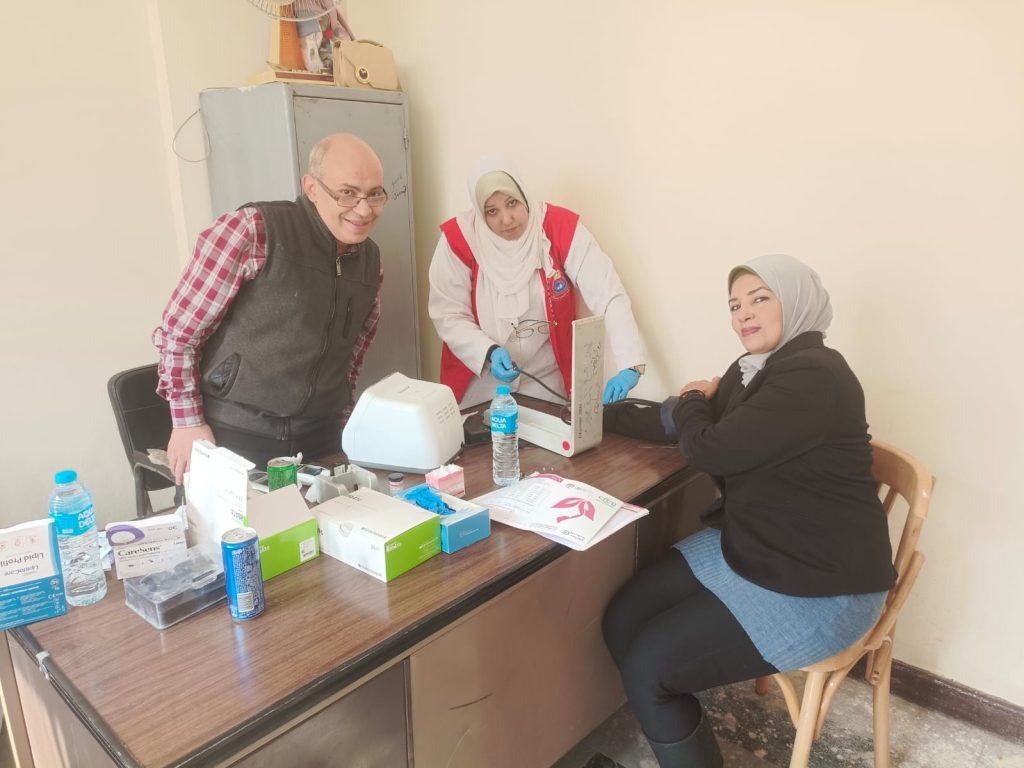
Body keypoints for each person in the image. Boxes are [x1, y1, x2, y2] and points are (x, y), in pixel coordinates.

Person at [601, 254, 896, 767]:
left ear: (797, 302)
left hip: (822, 584)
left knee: (650, 669)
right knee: (623, 619)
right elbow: (683, 421)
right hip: (761, 542)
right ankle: (675, 721)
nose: (744, 314)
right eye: (735, 305)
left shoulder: (815, 375)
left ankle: (665, 700)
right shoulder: (755, 370)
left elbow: (708, 446)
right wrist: (598, 418)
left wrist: (693, 399)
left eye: (760, 298)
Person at [153, 133, 387, 482]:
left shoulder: (370, 261)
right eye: (347, 193)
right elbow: (179, 334)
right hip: (234, 434)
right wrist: (187, 423)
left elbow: (351, 354)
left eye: (375, 194)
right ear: (312, 188)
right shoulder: (253, 231)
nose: (364, 209)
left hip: (321, 438)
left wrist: (345, 420)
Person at [428, 155, 647, 407]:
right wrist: (488, 351)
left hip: (544, 382)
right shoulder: (459, 240)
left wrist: (630, 364)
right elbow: (449, 314)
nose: (507, 219)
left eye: (512, 203)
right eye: (492, 211)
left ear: (523, 194)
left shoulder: (558, 227)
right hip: (482, 381)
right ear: (480, 212)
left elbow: (607, 293)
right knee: (478, 433)